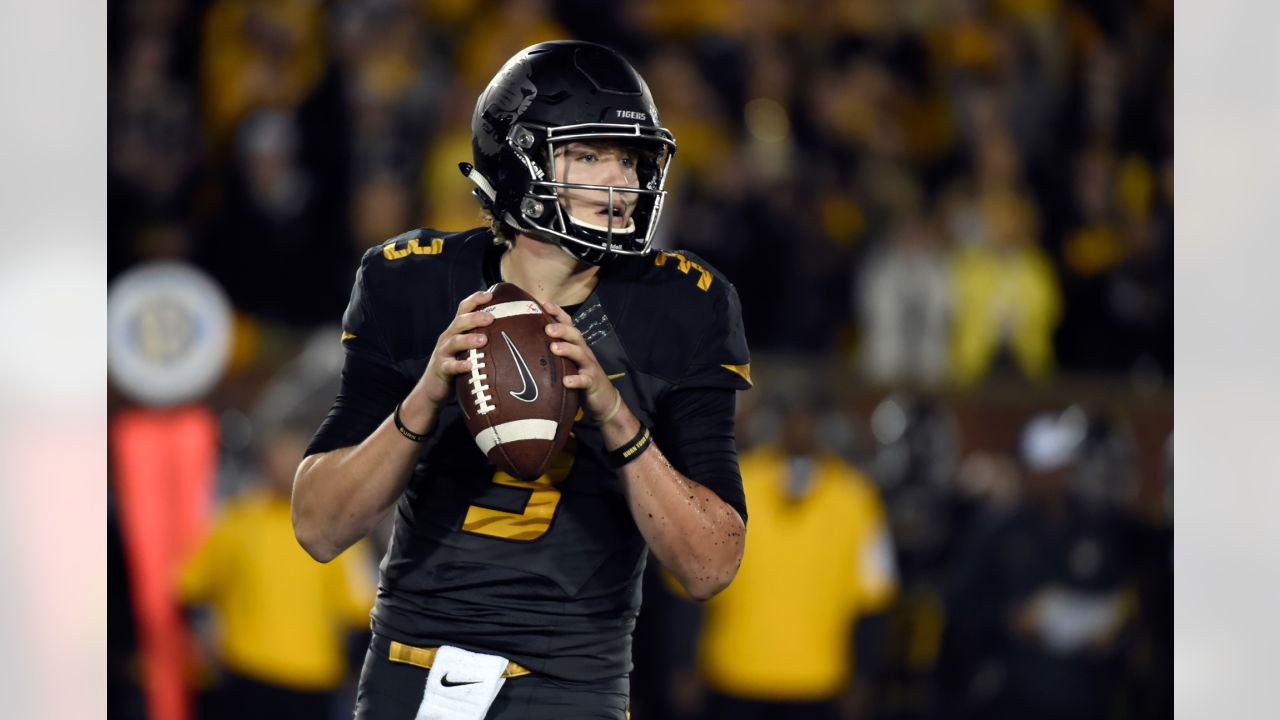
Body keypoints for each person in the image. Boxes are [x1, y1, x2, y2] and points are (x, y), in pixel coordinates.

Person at [292, 40, 752, 719]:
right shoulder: (413, 282)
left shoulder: (679, 304)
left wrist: (614, 413)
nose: (620, 182)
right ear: (518, 159)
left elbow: (711, 564)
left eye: (628, 159)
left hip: (568, 686)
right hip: (410, 671)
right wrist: (425, 397)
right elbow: (318, 528)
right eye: (591, 156)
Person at [694, 400, 897, 720]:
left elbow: (874, 599)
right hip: (734, 671)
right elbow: (692, 578)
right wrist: (682, 662)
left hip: (820, 680)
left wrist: (863, 679)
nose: (801, 429)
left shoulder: (857, 498)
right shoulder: (735, 483)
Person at [179, 425, 375, 719]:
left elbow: (361, 610)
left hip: (311, 679)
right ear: (264, 465)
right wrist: (204, 638)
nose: (287, 469)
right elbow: (189, 587)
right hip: (247, 672)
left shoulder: (336, 528)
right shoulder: (239, 522)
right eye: (279, 459)